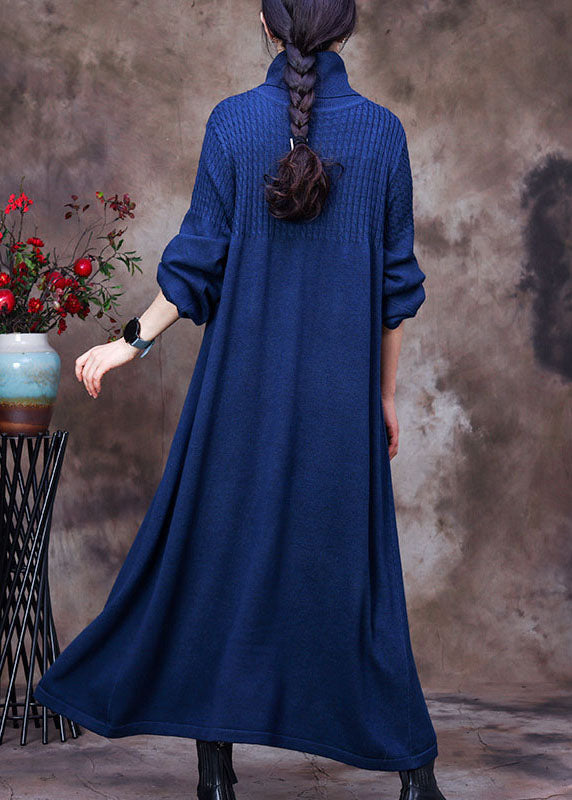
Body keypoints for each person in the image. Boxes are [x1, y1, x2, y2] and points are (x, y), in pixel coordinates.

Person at [33, 3, 449, 799]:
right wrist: (385, 398)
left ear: (267, 25)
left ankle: (214, 769)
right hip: (340, 403)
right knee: (354, 583)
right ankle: (414, 776)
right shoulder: (384, 134)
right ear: (346, 30)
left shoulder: (232, 124)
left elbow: (195, 265)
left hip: (238, 399)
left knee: (218, 567)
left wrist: (128, 343)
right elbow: (396, 292)